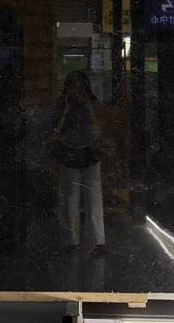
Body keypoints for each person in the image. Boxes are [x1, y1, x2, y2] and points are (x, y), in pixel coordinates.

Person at [52, 71, 106, 254]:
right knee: (71, 200)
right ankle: (73, 241)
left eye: (79, 85)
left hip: (90, 155)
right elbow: (55, 130)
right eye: (73, 85)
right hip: (70, 155)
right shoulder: (63, 103)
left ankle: (98, 242)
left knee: (94, 199)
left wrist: (88, 106)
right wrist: (67, 108)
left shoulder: (91, 102)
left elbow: (99, 128)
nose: (76, 89)